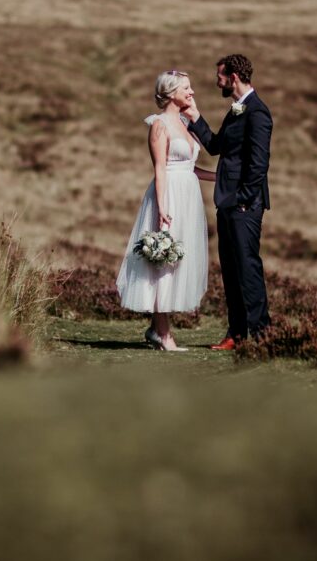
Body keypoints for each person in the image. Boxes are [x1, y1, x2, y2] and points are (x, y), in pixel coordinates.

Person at [116, 70, 214, 351]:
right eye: (187, 88)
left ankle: (155, 328)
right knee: (163, 261)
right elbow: (160, 168)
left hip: (189, 197)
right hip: (169, 194)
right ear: (171, 93)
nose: (192, 92)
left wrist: (219, 176)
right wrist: (162, 208)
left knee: (178, 260)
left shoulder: (185, 122)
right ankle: (163, 334)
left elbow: (189, 167)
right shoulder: (159, 125)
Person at [183, 54, 272, 349]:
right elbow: (217, 145)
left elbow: (259, 164)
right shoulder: (237, 110)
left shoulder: (257, 113)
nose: (216, 80)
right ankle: (236, 334)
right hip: (228, 203)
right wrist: (194, 117)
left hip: (244, 205)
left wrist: (244, 200)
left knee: (248, 269)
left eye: (220, 75)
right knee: (231, 271)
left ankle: (261, 335)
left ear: (233, 77)